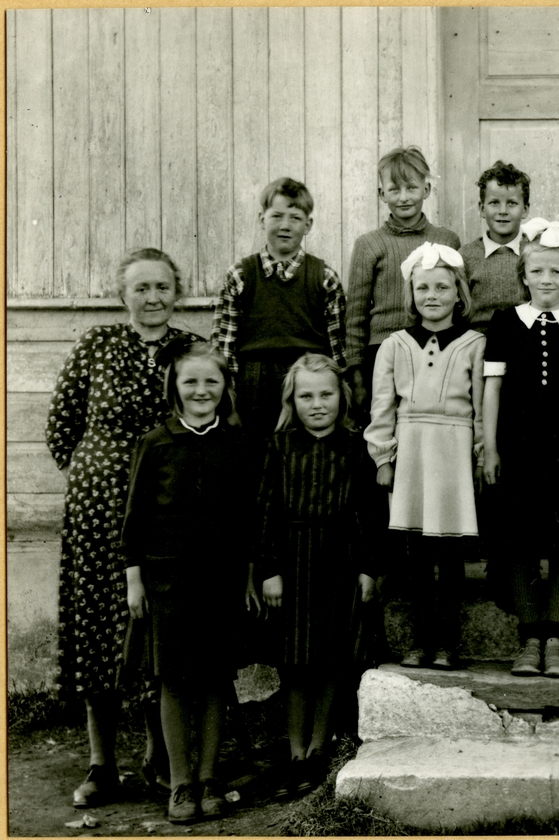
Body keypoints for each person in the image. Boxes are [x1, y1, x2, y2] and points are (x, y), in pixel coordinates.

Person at [45, 248, 196, 808]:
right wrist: (100, 471)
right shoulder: (97, 344)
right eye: (141, 288)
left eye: (162, 288)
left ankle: (159, 759)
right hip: (98, 510)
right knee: (96, 629)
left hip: (165, 509)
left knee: (156, 626)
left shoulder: (189, 349)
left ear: (175, 294)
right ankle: (101, 764)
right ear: (122, 295)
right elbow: (62, 426)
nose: (152, 298)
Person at [120, 339, 252, 824]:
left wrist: (250, 575)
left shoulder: (238, 444)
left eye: (211, 381)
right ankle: (180, 785)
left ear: (225, 388)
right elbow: (134, 519)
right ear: (174, 387)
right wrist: (135, 579)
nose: (201, 390)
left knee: (216, 678)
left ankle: (210, 778)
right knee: (173, 681)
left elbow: (248, 517)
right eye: (190, 381)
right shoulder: (155, 444)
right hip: (167, 581)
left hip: (221, 580)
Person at [482, 218, 559, 678]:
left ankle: (557, 639)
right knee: (518, 541)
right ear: (524, 276)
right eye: (537, 272)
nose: (546, 280)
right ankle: (528, 637)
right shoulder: (504, 323)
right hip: (516, 449)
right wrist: (489, 446)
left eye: (556, 272)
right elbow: (492, 389)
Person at [258, 354, 379, 798]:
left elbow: (371, 513)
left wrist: (369, 567)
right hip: (293, 563)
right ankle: (293, 752)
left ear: (341, 397)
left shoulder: (355, 445)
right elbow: (265, 512)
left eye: (326, 394)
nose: (317, 404)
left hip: (341, 562)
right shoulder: (279, 447)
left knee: (333, 660)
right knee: (295, 663)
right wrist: (269, 570)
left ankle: (318, 747)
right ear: (292, 399)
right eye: (306, 395)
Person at [365, 243, 485, 670]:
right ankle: (418, 640)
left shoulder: (475, 344)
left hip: (453, 448)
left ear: (459, 294)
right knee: (415, 554)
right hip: (412, 449)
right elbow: (382, 407)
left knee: (450, 557)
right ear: (411, 295)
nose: (431, 296)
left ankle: (447, 643)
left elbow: (483, 406)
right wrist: (383, 458)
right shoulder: (395, 345)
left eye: (441, 287)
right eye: (422, 288)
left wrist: (479, 453)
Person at [211, 177, 348, 440]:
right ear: (262, 219)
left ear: (308, 225)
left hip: (307, 383)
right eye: (276, 216)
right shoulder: (240, 275)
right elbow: (223, 349)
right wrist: (228, 402)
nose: (285, 226)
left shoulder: (324, 278)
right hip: (253, 385)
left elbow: (337, 350)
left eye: (295, 218)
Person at [345, 146, 461, 425]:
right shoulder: (368, 245)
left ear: (427, 189)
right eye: (394, 189)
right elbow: (355, 315)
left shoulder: (447, 240)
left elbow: (456, 304)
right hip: (381, 354)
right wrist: (357, 374)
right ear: (381, 194)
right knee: (383, 427)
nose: (404, 197)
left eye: (411, 187)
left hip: (434, 349)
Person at [462, 160, 532, 333]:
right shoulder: (465, 256)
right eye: (494, 203)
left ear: (525, 209)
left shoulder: (535, 253)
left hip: (526, 342)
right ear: (481, 208)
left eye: (512, 203)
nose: (503, 211)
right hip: (479, 343)